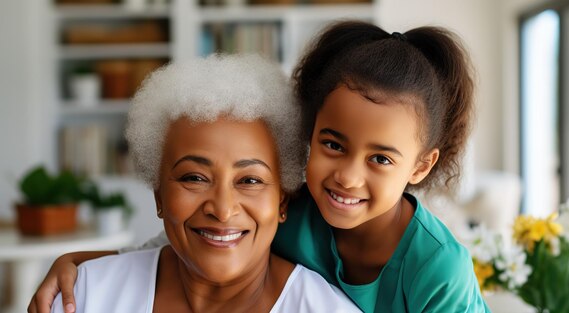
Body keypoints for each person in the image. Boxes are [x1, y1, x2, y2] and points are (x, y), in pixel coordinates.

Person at [31, 21, 489, 312]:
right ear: (309, 139)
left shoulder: (438, 267)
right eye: (333, 144)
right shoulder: (296, 209)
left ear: (421, 166)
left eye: (381, 159)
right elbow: (174, 244)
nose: (348, 176)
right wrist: (84, 264)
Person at [47, 54, 361, 313]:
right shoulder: (85, 295)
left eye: (249, 180)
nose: (223, 210)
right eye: (194, 178)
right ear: (159, 195)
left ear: (282, 201)